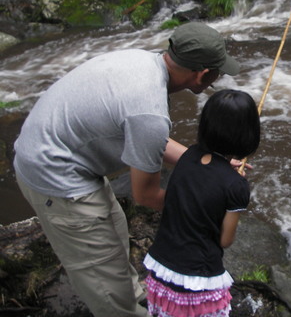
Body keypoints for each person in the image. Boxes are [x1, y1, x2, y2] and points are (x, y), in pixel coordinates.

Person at [13, 22, 247, 317]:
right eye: (218, 71)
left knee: (116, 232)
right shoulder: (149, 110)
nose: (219, 76)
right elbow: (146, 195)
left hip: (54, 147)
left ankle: (139, 300)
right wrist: (208, 208)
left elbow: (149, 139)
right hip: (54, 173)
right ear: (202, 74)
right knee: (104, 280)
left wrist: (212, 166)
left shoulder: (143, 60)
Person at [143, 89, 260, 317]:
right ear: (249, 135)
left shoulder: (189, 156)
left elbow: (206, 176)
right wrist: (235, 186)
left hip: (161, 271)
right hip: (197, 282)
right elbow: (225, 240)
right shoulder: (237, 186)